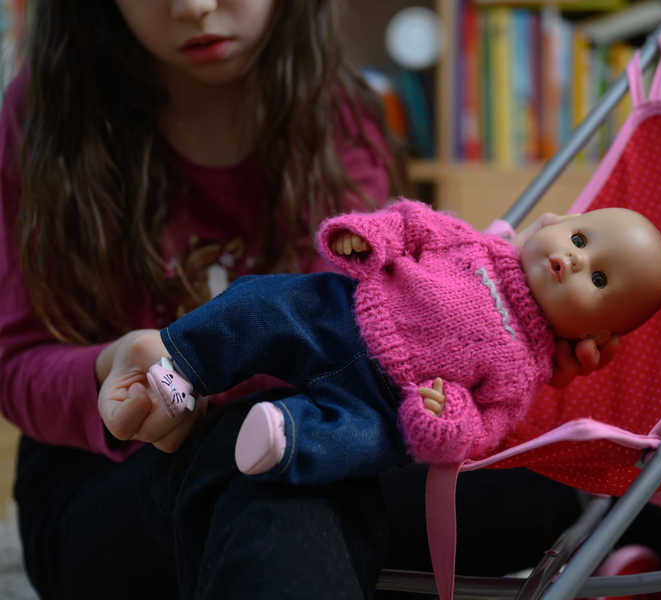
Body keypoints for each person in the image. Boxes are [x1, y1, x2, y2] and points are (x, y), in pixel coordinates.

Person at [0, 1, 615, 598]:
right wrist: (110, 366)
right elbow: (16, 359)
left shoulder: (345, 116)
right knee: (277, 463)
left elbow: (375, 352)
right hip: (102, 485)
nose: (194, 7)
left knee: (574, 473)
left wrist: (504, 322)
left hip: (313, 427)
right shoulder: (47, 112)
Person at [126, 202, 661, 485]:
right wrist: (371, 236)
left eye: (598, 279)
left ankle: (282, 440)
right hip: (341, 314)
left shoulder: (525, 371)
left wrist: (446, 416)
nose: (574, 259)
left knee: (369, 443)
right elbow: (413, 225)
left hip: (382, 400)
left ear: (595, 336)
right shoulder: (476, 245)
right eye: (579, 238)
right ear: (559, 222)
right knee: (262, 303)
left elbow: (485, 426)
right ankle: (186, 365)